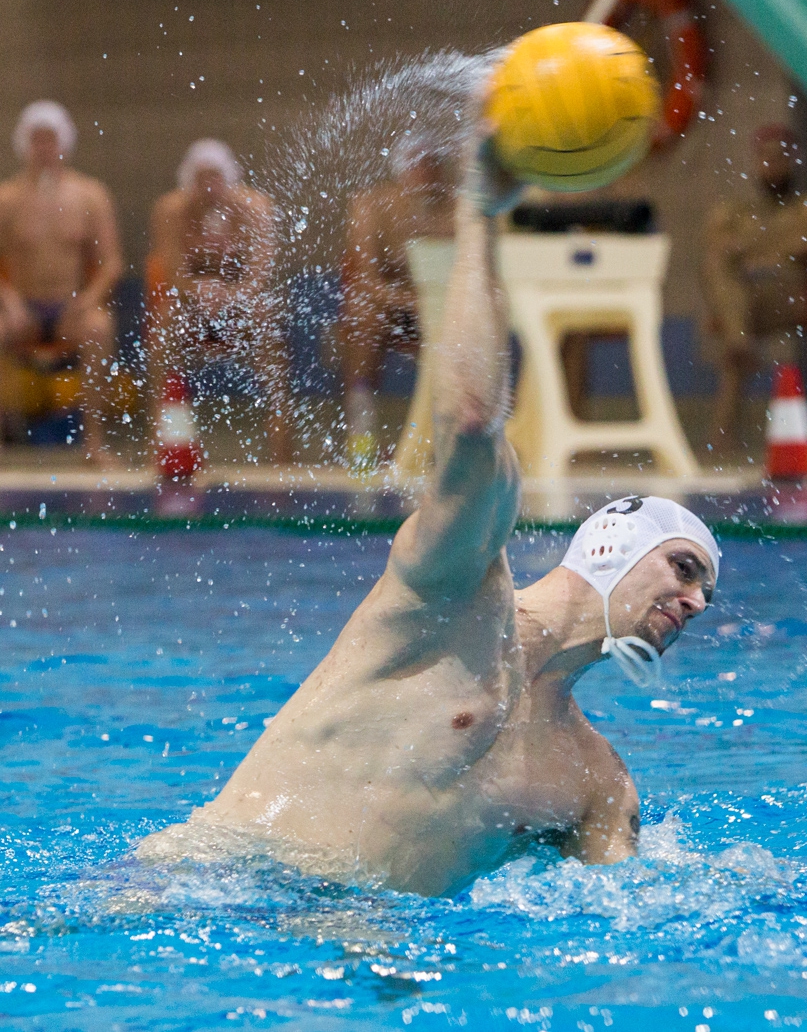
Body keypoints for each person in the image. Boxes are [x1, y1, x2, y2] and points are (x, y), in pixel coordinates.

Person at [137, 140, 720, 897]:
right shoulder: (451, 591)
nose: (697, 602)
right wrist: (480, 216)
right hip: (207, 888)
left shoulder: (595, 784)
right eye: (684, 567)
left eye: (705, 588)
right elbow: (473, 420)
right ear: (612, 541)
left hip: (368, 961)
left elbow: (633, 918)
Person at [145, 138, 288, 464]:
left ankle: (281, 453)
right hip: (193, 307)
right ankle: (165, 447)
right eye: (201, 179)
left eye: (216, 178)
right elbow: (171, 271)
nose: (209, 187)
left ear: (230, 180)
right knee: (164, 327)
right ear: (188, 183)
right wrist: (200, 291)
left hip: (241, 307)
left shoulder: (254, 208)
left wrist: (230, 295)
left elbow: (260, 272)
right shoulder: (171, 211)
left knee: (267, 325)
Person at [0, 100, 123, 464]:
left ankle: (94, 445)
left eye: (50, 140)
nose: (44, 148)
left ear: (64, 143)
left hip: (71, 308)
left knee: (100, 327)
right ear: (23, 144)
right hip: (23, 310)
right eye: (36, 140)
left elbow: (112, 262)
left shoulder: (90, 195)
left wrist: (87, 300)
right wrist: (8, 301)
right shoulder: (6, 198)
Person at [700, 124, 807, 451]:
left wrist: (750, 250)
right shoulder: (738, 208)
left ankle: (737, 344)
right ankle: (738, 344)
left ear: (794, 160)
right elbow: (716, 246)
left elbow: (806, 243)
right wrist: (770, 249)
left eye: (781, 157)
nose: (773, 165)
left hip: (789, 296)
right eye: (766, 158)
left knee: (735, 319)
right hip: (749, 298)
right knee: (720, 276)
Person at [335, 141, 455, 471]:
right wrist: (412, 300)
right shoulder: (372, 206)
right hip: (391, 307)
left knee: (466, 327)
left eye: (432, 165)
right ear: (401, 170)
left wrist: (430, 303)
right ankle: (362, 435)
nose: (426, 173)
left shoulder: (459, 208)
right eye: (418, 165)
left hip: (441, 310)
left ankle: (453, 440)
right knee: (363, 318)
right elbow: (364, 280)